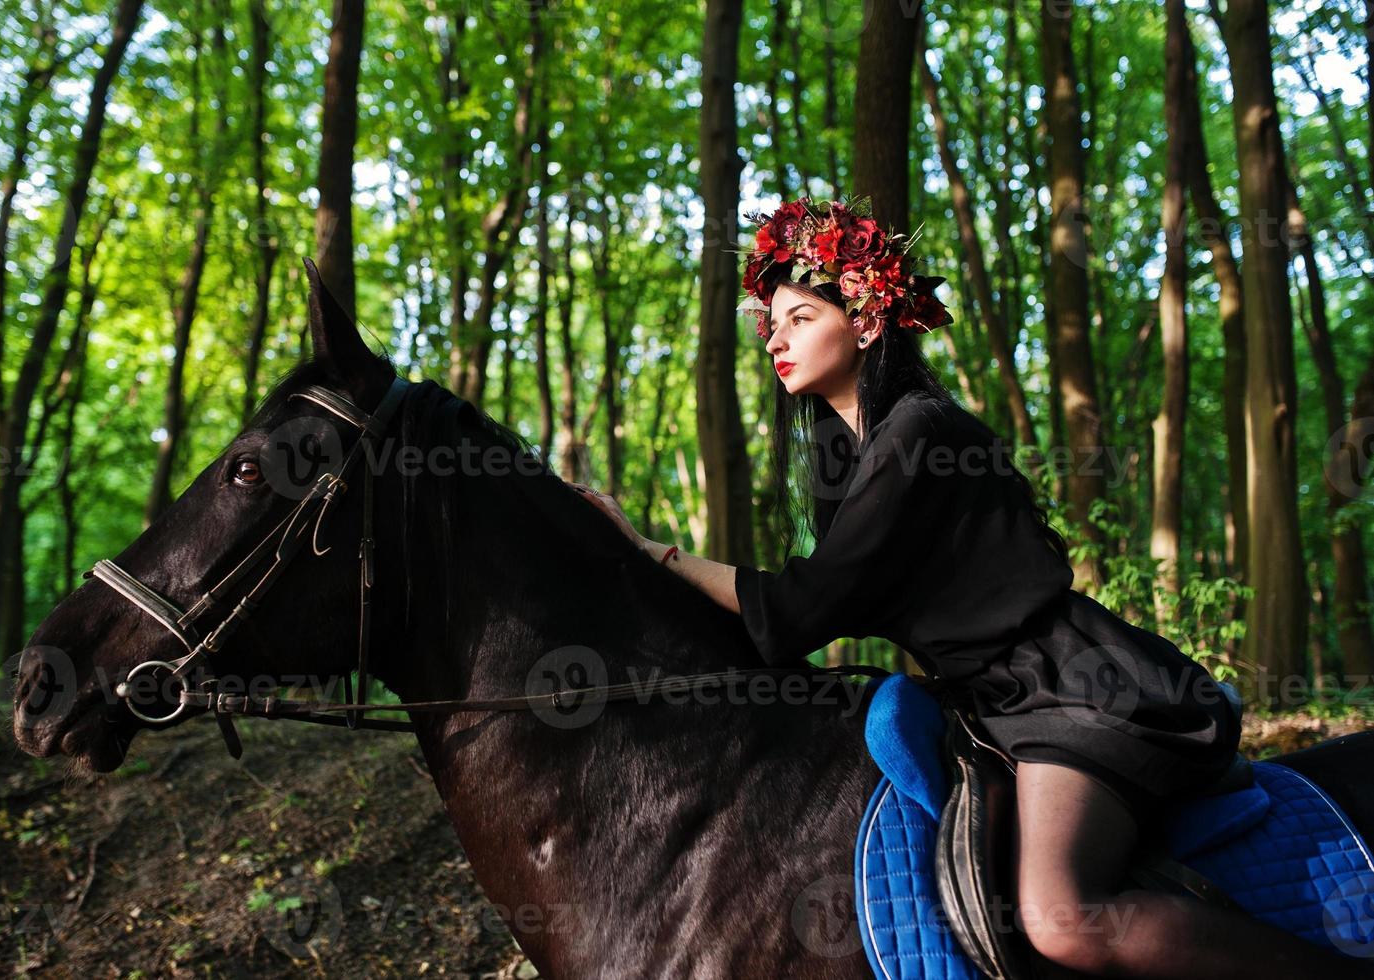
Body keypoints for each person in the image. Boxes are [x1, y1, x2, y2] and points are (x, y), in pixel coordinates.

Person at [569, 195, 1373, 978]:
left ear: (868, 318)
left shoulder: (919, 430)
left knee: (1061, 918)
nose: (775, 339)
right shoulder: (851, 462)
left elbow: (801, 608)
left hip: (1070, 690)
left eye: (800, 318)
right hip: (990, 703)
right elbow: (815, 607)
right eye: (770, 324)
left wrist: (652, 553)